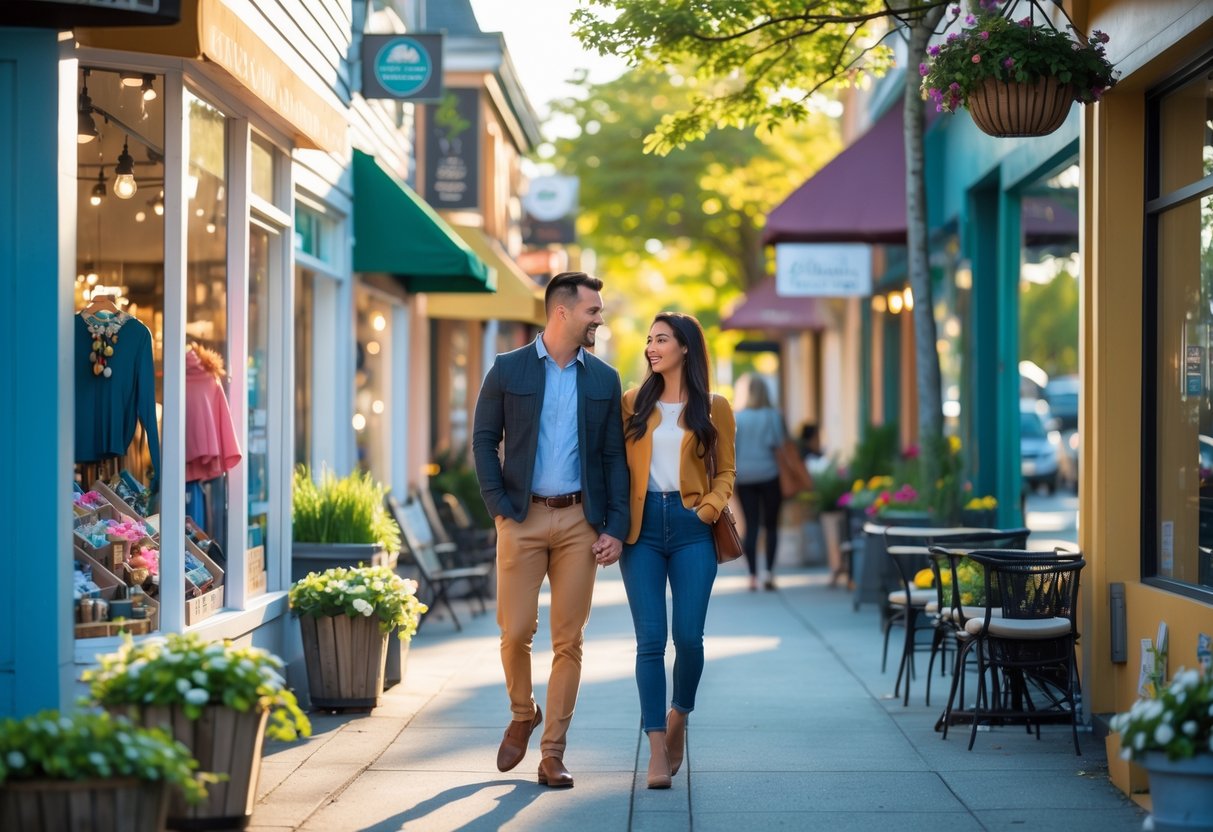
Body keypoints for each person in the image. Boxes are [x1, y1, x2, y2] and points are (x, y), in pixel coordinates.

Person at [471, 271, 630, 789]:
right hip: (522, 517)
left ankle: (552, 753)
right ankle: (523, 711)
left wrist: (615, 527)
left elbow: (613, 458)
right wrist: (499, 507)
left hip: (581, 523)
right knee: (515, 631)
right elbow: (482, 440)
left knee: (569, 640)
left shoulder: (604, 379)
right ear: (562, 311)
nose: (598, 318)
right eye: (592, 310)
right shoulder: (507, 368)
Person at [619, 311, 736, 789]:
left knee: (688, 638)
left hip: (692, 529)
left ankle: (679, 718)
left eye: (661, 339)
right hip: (641, 531)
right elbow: (614, 466)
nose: (652, 347)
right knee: (650, 641)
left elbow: (727, 470)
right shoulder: (631, 403)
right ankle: (654, 749)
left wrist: (707, 510)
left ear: (685, 347)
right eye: (649, 339)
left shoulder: (714, 407)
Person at [733, 373, 786, 591]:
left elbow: (731, 448)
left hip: (744, 477)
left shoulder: (738, 417)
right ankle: (769, 573)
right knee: (771, 525)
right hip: (769, 475)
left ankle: (752, 576)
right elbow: (779, 442)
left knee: (751, 526)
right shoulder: (773, 415)